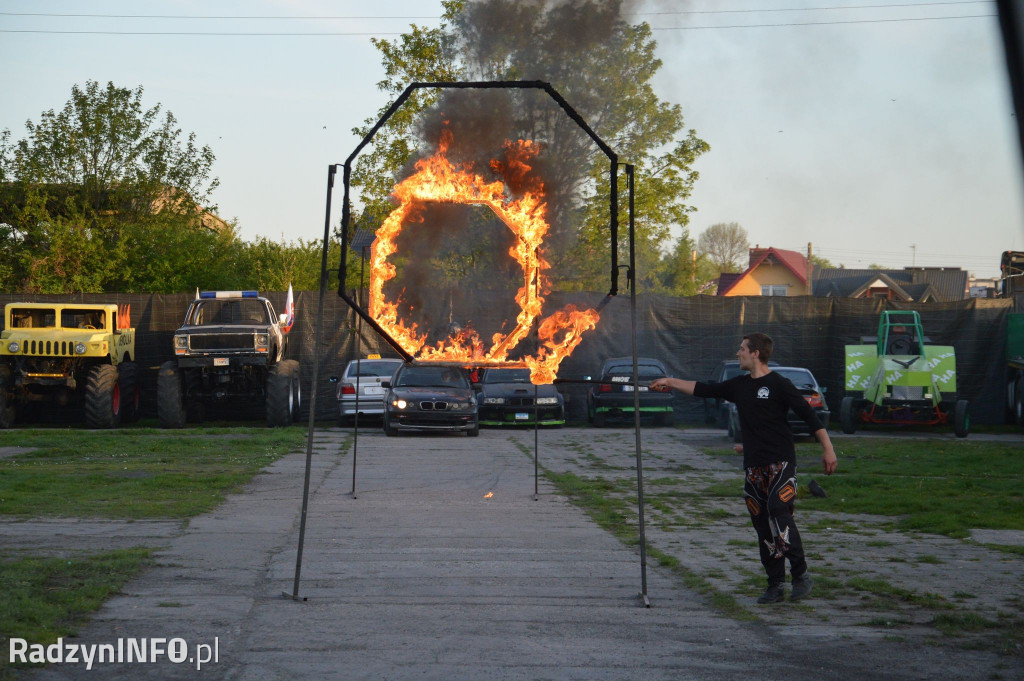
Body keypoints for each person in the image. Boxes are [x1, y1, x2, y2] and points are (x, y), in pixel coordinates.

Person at [650, 332, 838, 604]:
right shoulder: (738, 385)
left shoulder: (780, 384)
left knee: (778, 511)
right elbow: (703, 388)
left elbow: (810, 417)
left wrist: (828, 449)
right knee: (762, 524)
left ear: (755, 353)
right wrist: (669, 382)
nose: (737, 353)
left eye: (741, 349)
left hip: (781, 462)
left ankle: (801, 575)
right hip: (753, 466)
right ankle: (775, 584)